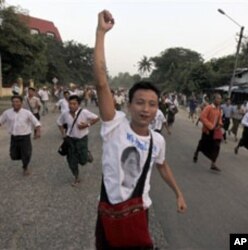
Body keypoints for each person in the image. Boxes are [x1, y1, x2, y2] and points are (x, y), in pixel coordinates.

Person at [93, 10, 187, 249]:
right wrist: (101, 33)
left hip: (139, 211)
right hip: (108, 210)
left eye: (152, 104)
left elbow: (163, 166)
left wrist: (178, 193)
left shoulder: (157, 140)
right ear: (129, 105)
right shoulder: (115, 125)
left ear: (158, 108)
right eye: (140, 102)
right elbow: (102, 82)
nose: (146, 109)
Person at [57, 95, 99, 186]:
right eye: (70, 103)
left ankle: (86, 154)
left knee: (83, 161)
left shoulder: (84, 112)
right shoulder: (65, 114)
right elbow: (59, 123)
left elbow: (96, 118)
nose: (71, 105)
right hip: (70, 140)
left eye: (74, 104)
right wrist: (63, 134)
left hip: (82, 139)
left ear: (78, 104)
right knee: (71, 160)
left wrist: (87, 125)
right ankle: (76, 177)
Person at [0, 95, 41, 176]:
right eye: (13, 102)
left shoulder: (27, 113)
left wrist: (38, 132)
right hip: (14, 137)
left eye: (17, 101)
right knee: (13, 155)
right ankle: (22, 157)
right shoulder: (7, 113)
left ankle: (25, 167)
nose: (15, 103)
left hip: (25, 137)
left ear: (21, 103)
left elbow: (36, 123)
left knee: (26, 153)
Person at [193, 93, 223, 171]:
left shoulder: (218, 109)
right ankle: (196, 152)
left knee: (216, 146)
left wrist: (219, 124)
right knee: (203, 144)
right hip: (207, 130)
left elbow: (219, 119)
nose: (219, 100)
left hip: (214, 131)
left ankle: (213, 164)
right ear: (214, 99)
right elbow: (202, 117)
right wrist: (210, 126)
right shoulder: (208, 107)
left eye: (220, 99)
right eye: (218, 98)